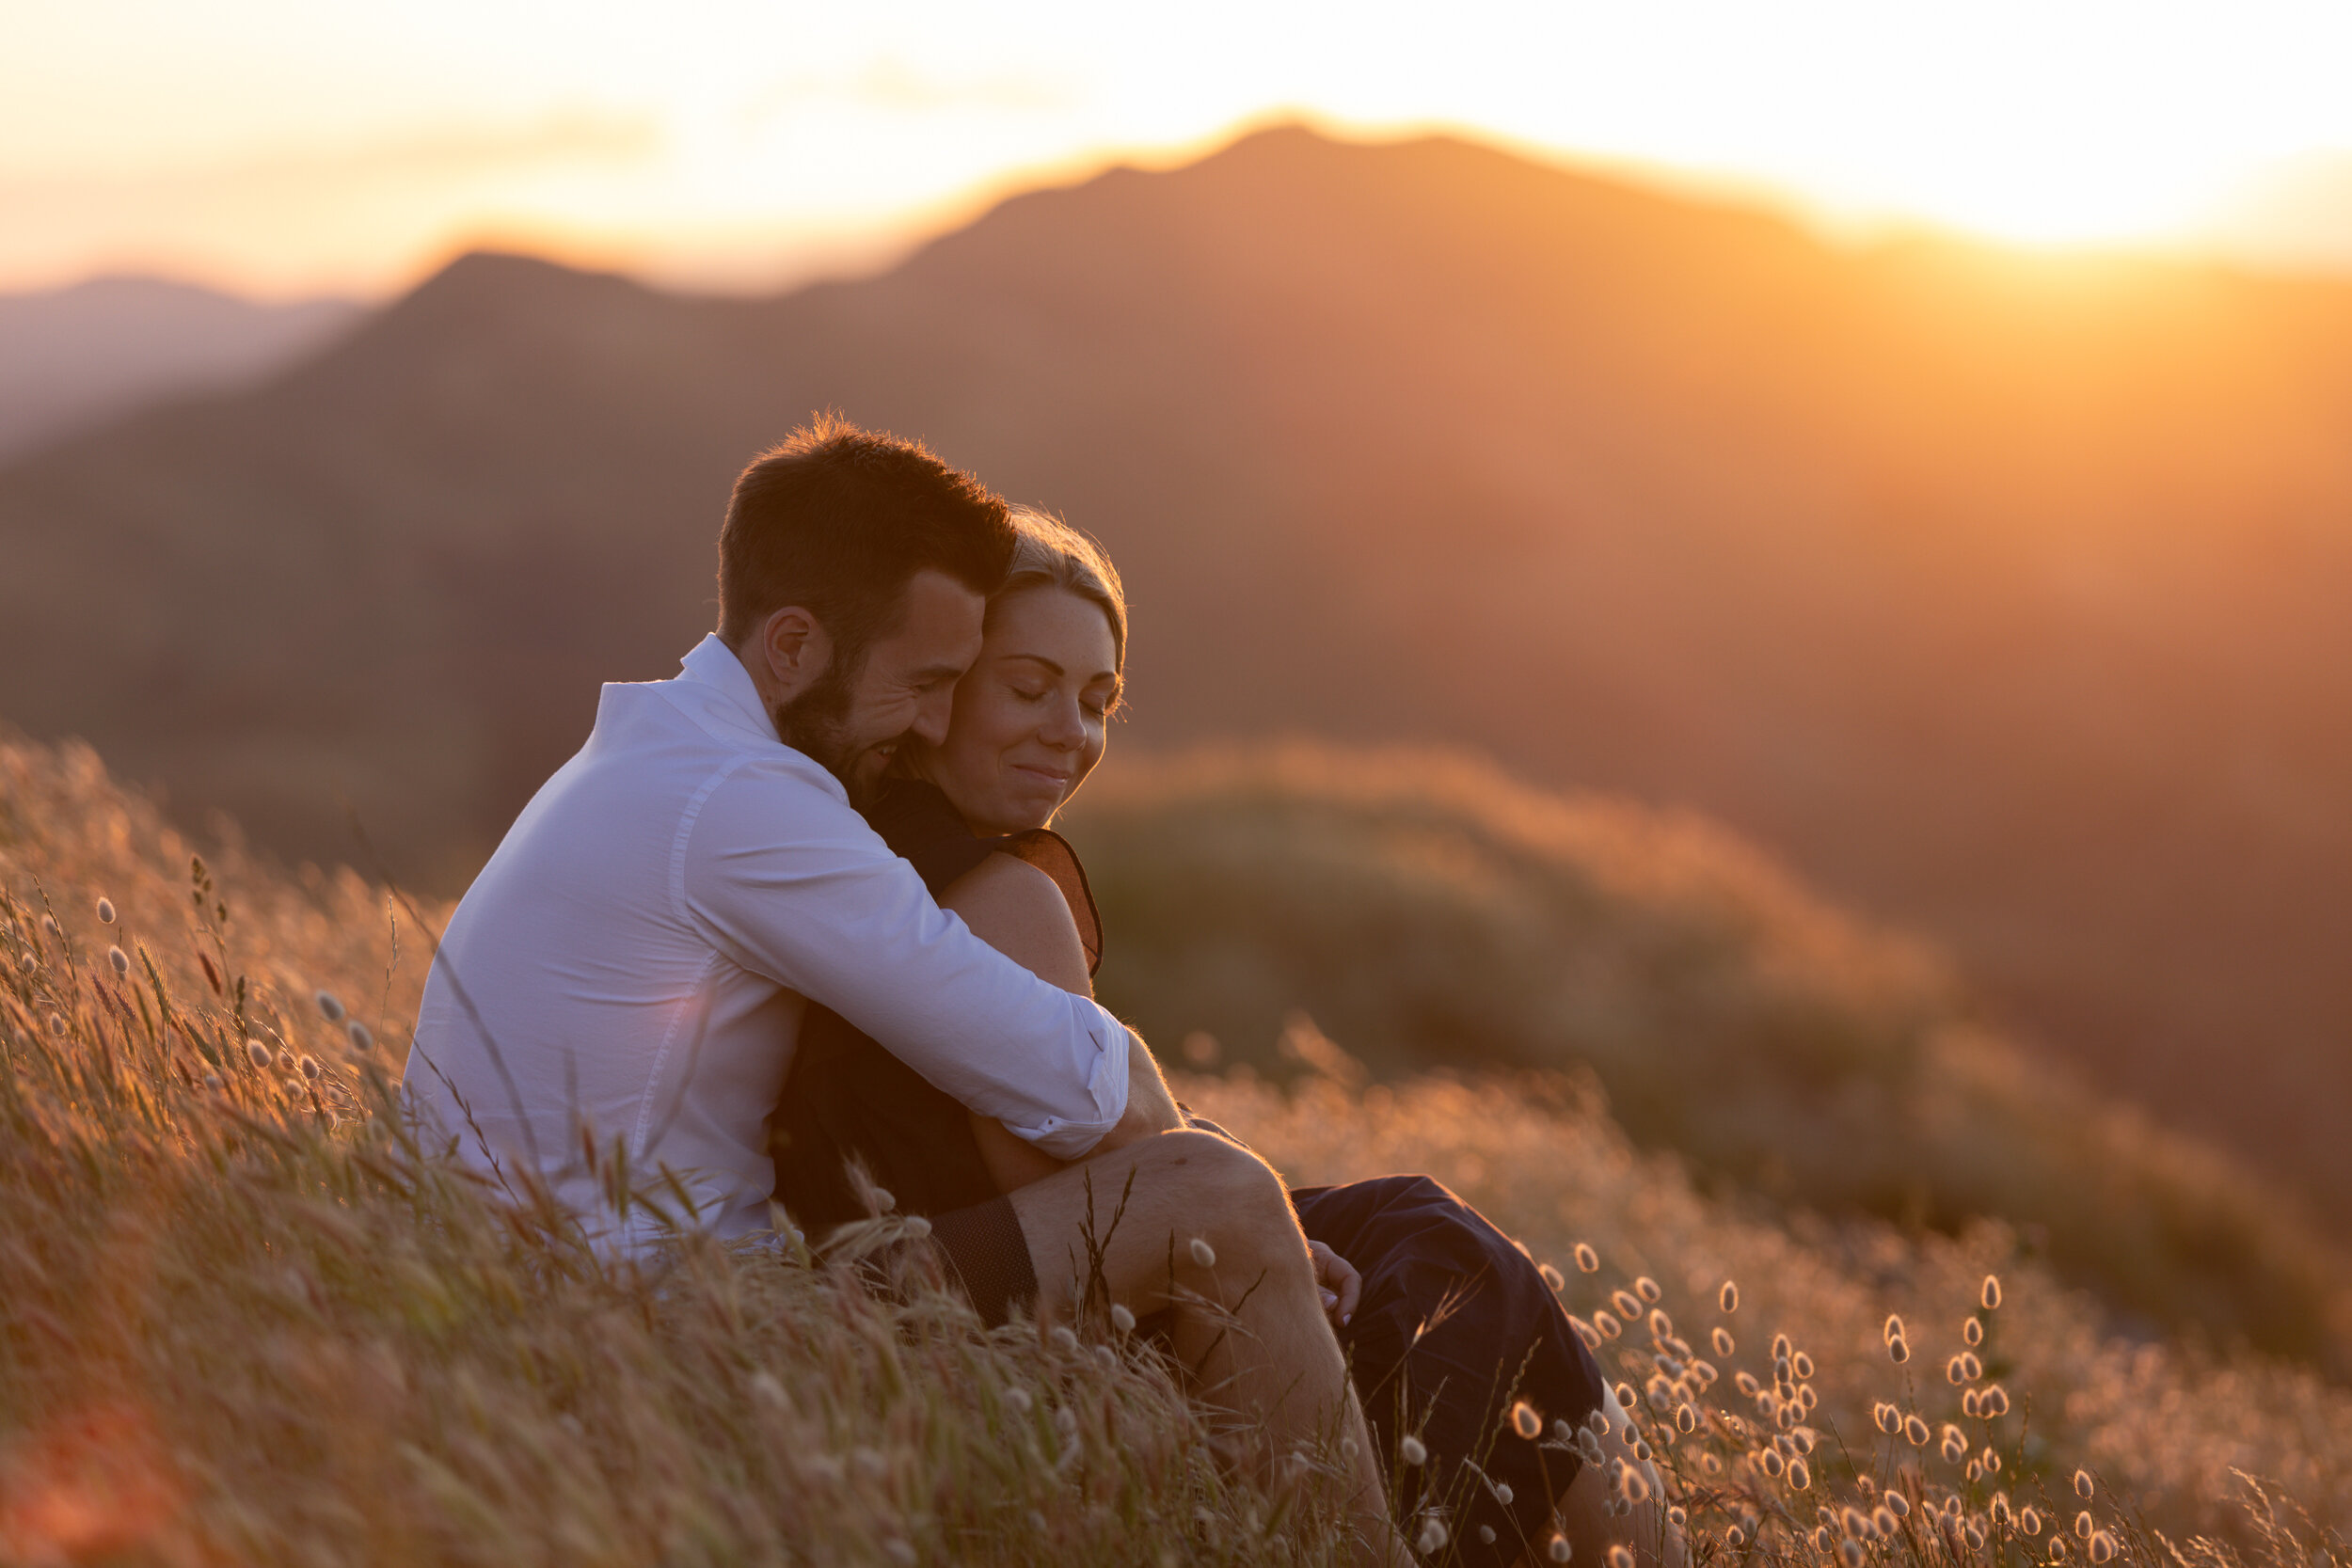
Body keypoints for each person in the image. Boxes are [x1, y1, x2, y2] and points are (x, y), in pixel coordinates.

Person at [401, 419, 1410, 1565]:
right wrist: (1211, 1169)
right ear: (793, 647)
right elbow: (1059, 1074)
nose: (936, 721)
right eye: (927, 682)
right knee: (1220, 1200)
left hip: (552, 1302)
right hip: (669, 1336)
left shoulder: (651, 750)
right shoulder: (747, 808)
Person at [772, 509, 1680, 1568]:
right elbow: (1064, 1178)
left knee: (1414, 1222)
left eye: (1097, 700)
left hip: (950, 1256)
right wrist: (1262, 1237)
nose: (1069, 729)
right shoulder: (1003, 896)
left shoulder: (847, 849)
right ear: (940, 688)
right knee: (1460, 1275)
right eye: (1028, 688)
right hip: (1029, 1299)